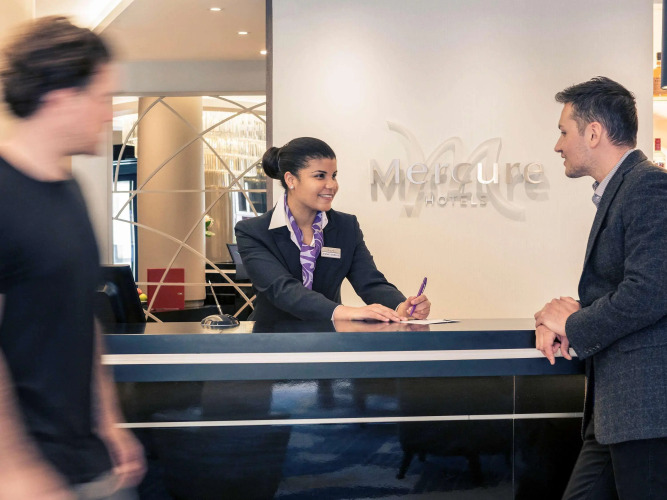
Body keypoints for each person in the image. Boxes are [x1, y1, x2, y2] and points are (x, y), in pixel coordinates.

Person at [0, 17, 145, 499]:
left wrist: (109, 422)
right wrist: (14, 469)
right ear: (61, 99)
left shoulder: (71, 189)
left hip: (88, 459)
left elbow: (81, 318)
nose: (108, 114)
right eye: (103, 98)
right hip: (27, 473)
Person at [534, 77, 667, 499]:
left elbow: (650, 291)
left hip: (647, 411)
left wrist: (572, 323)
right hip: (616, 413)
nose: (557, 145)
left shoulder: (648, 185)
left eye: (563, 132)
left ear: (593, 133)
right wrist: (564, 317)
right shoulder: (622, 189)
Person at [235, 137, 431, 323]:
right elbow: (282, 289)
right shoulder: (253, 232)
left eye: (333, 176)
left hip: (328, 340)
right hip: (271, 339)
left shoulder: (346, 226)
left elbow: (370, 281)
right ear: (291, 179)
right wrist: (346, 312)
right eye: (320, 176)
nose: (332, 185)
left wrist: (400, 307)